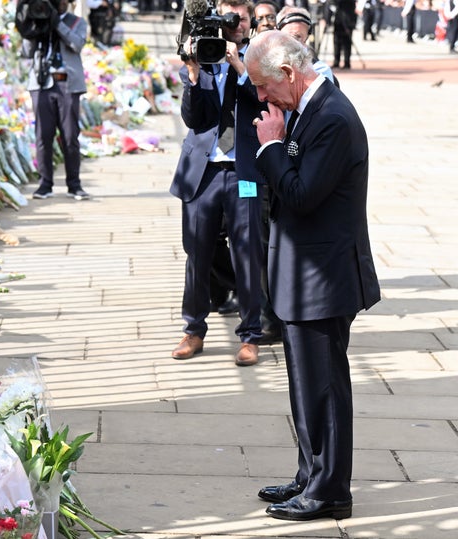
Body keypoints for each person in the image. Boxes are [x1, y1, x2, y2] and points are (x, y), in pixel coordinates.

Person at [245, 30, 380, 521]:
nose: (260, 97)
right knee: (306, 386)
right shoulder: (309, 108)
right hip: (303, 275)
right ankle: (311, 476)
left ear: (288, 73)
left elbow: (302, 195)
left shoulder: (334, 118)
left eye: (263, 86)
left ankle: (330, 492)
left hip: (324, 277)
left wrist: (270, 149)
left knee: (323, 388)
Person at [170, 0, 266, 366]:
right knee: (197, 254)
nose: (232, 25)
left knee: (248, 253)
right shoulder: (201, 56)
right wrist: (195, 74)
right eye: (225, 18)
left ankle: (251, 335)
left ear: (247, 21)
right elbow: (195, 120)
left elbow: (262, 106)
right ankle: (193, 330)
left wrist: (240, 68)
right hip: (204, 173)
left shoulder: (257, 60)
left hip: (244, 173)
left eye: (237, 19)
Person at [23, 0, 91, 200]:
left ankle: (74, 184)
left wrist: (57, 23)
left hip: (67, 85)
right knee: (43, 136)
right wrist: (30, 26)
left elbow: (77, 44)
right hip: (42, 84)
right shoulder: (40, 20)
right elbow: (26, 52)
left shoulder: (76, 21)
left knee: (70, 136)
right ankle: (45, 184)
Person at [277, 6, 337, 83]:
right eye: (288, 36)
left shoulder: (319, 70)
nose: (292, 42)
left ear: (307, 37)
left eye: (297, 37)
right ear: (277, 32)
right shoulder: (264, 60)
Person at [331, 0, 357, 69]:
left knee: (347, 43)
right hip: (338, 19)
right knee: (336, 42)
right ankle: (336, 61)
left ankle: (347, 62)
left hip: (348, 20)